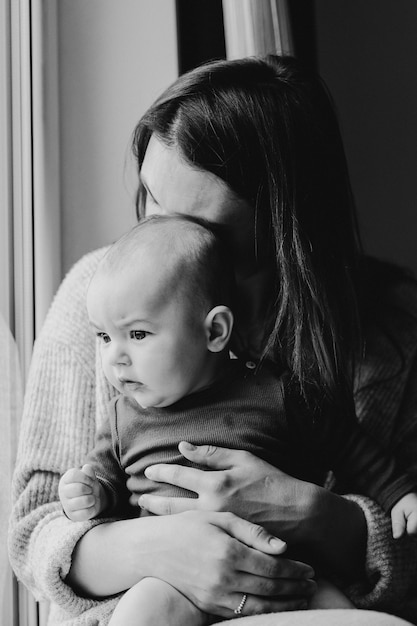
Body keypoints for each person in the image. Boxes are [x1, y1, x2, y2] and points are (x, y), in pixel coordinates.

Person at [9, 54, 417, 626]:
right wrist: (159, 549)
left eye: (199, 228)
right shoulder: (99, 300)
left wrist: (320, 518)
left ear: (282, 223)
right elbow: (31, 530)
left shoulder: (392, 334)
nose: (158, 236)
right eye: (151, 197)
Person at [58, 213, 417, 625]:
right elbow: (104, 479)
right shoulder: (124, 417)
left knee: (350, 618)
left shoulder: (278, 392)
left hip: (284, 572)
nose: (115, 357)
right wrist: (90, 491)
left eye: (138, 335)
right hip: (173, 584)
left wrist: (397, 491)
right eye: (104, 337)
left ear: (215, 332)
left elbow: (349, 444)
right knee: (140, 612)